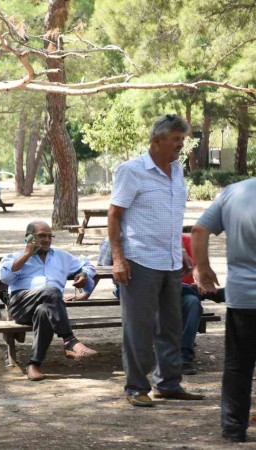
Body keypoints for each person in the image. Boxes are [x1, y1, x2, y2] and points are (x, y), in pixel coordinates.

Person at [108, 113, 203, 407]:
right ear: (156, 140)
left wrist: (181, 250)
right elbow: (115, 215)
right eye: (175, 139)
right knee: (138, 328)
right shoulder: (132, 170)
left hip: (171, 261)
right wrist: (118, 258)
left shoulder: (177, 170)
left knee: (171, 327)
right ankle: (136, 388)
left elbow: (171, 215)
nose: (180, 145)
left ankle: (168, 384)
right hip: (140, 260)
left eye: (182, 139)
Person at [96, 235, 224, 376]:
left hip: (169, 288)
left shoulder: (163, 235)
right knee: (150, 287)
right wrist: (86, 291)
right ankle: (208, 293)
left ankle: (184, 357)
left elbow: (193, 267)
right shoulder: (113, 238)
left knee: (191, 302)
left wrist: (199, 278)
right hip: (132, 288)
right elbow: (101, 269)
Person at [192, 177, 256, 443]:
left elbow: (198, 231)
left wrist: (202, 267)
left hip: (243, 297)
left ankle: (233, 428)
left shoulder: (234, 192)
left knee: (238, 365)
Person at [0, 221, 98, 381]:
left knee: (43, 311)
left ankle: (33, 364)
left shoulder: (62, 256)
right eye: (41, 236)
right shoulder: (15, 257)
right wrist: (27, 254)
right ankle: (69, 340)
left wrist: (83, 274)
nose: (46, 239)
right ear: (28, 237)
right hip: (21, 304)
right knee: (51, 290)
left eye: (50, 236)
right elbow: (5, 277)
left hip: (51, 306)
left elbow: (87, 265)